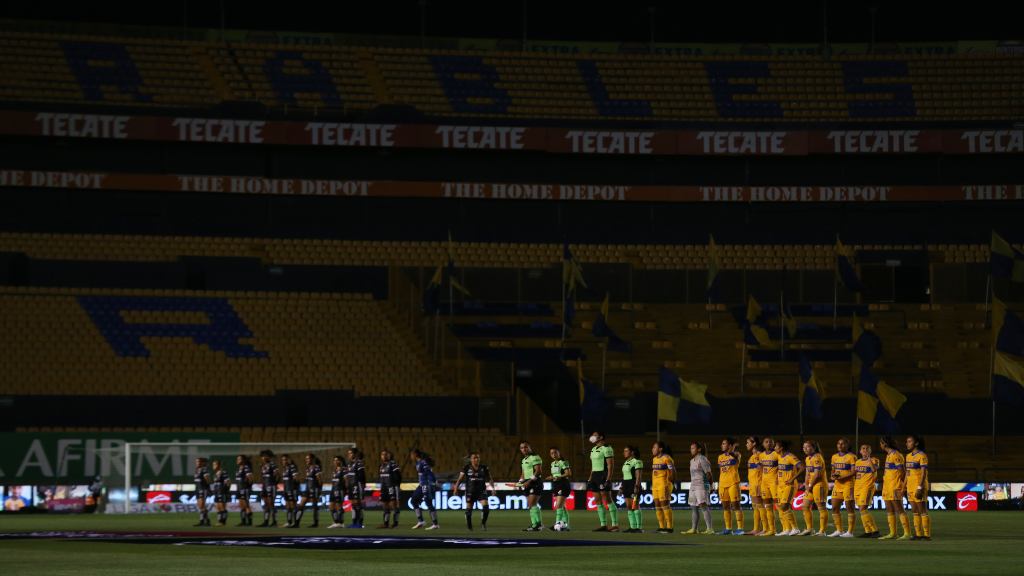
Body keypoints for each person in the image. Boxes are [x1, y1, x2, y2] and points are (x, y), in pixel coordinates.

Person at [878, 436, 911, 540]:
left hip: (895, 486)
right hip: (887, 486)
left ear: (885, 444)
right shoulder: (889, 455)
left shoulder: (896, 455)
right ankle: (893, 533)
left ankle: (907, 533)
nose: (880, 445)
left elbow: (902, 472)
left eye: (881, 443)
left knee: (899, 509)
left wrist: (902, 487)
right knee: (889, 510)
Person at [455, 451, 495, 530]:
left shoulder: (484, 467)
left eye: (478, 458)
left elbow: (490, 478)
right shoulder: (466, 467)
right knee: (469, 511)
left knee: (486, 508)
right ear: (471, 459)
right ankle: (469, 526)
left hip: (481, 491)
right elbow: (459, 479)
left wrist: (493, 488)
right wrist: (456, 488)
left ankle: (483, 524)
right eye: (474, 458)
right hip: (470, 491)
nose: (476, 459)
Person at [588, 431, 619, 532]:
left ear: (601, 437)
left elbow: (610, 465)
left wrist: (608, 478)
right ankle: (603, 525)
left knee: (608, 499)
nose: (592, 437)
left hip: (603, 475)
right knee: (597, 501)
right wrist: (590, 477)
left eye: (595, 435)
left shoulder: (607, 448)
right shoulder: (593, 449)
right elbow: (593, 465)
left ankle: (615, 525)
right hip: (595, 476)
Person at [683, 442, 715, 535]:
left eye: (693, 448)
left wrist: (711, 486)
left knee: (703, 506)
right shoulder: (691, 461)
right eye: (691, 448)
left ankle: (710, 529)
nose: (691, 450)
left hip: (701, 486)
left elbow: (709, 473)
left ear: (699, 449)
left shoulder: (702, 459)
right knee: (693, 507)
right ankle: (694, 529)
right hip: (693, 486)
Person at [828, 437, 857, 538]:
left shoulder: (852, 456)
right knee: (834, 507)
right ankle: (839, 530)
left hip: (848, 485)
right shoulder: (834, 457)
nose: (840, 445)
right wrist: (832, 476)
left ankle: (850, 532)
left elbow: (854, 472)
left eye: (842, 444)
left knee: (850, 508)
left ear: (847, 445)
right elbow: (833, 470)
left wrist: (841, 477)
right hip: (837, 485)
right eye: (838, 444)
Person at [774, 439, 804, 536]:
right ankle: (786, 529)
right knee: (780, 507)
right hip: (780, 485)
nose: (775, 448)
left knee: (784, 506)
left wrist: (792, 479)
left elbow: (802, 467)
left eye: (776, 446)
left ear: (781, 448)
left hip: (789, 485)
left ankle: (795, 528)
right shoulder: (778, 456)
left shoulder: (790, 457)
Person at [905, 435, 931, 540]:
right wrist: (903, 487)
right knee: (914, 511)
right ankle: (918, 534)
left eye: (910, 441)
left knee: (922, 510)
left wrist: (920, 487)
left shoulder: (922, 455)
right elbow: (907, 473)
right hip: (910, 486)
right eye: (907, 441)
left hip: (918, 486)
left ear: (916, 443)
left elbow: (924, 473)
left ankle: (927, 535)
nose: (907, 443)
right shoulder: (908, 456)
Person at [716, 437, 743, 535]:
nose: (722, 445)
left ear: (730, 446)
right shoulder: (720, 457)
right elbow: (722, 471)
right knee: (725, 506)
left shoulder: (736, 454)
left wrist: (732, 449)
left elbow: (735, 458)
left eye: (724, 443)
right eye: (722, 443)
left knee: (736, 505)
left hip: (733, 483)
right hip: (723, 484)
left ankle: (740, 528)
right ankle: (728, 528)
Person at [801, 440, 828, 536]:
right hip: (811, 485)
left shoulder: (817, 457)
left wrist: (809, 486)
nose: (805, 449)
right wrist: (806, 485)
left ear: (813, 448)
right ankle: (809, 529)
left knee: (821, 507)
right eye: (804, 447)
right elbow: (808, 473)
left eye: (807, 447)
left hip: (819, 485)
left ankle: (822, 531)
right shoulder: (808, 458)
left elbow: (817, 474)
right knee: (805, 506)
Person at [854, 444, 881, 538]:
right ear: (860, 451)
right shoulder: (857, 462)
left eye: (867, 449)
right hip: (858, 487)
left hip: (867, 487)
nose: (865, 450)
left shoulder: (874, 460)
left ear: (870, 451)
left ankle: (875, 530)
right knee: (861, 510)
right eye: (863, 449)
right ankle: (868, 531)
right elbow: (856, 475)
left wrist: (869, 459)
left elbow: (874, 469)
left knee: (863, 508)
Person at [517, 441, 544, 531]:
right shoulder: (524, 460)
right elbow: (523, 473)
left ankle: (538, 524)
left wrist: (529, 481)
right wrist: (520, 482)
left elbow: (538, 471)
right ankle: (535, 525)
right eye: (521, 448)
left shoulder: (535, 457)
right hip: (528, 483)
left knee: (532, 503)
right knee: (530, 505)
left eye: (525, 447)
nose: (524, 449)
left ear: (529, 447)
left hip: (535, 483)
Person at [410, 448, 440, 530]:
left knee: (429, 503)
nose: (411, 456)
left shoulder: (423, 462)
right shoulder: (418, 463)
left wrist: (433, 482)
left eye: (412, 454)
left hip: (426, 484)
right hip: (421, 485)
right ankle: (421, 521)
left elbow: (429, 472)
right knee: (414, 501)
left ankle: (435, 524)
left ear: (415, 454)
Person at [650, 440, 675, 533]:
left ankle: (669, 527)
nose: (652, 449)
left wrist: (672, 483)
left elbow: (672, 471)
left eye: (654, 447)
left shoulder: (667, 458)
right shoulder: (654, 459)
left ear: (660, 449)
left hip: (664, 484)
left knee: (665, 505)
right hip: (655, 485)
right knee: (657, 505)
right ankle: (661, 527)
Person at [293, 453, 322, 528]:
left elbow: (319, 480)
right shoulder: (308, 468)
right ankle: (296, 523)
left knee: (315, 506)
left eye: (308, 459)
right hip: (307, 489)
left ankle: (315, 523)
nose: (307, 460)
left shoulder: (316, 467)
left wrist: (319, 490)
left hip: (314, 489)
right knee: (301, 505)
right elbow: (309, 479)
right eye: (306, 459)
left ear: (312, 459)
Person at [547, 447, 573, 531]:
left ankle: (557, 523)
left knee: (558, 506)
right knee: (562, 506)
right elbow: (556, 475)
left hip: (563, 485)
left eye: (555, 452)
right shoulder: (552, 463)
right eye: (551, 453)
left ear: (559, 453)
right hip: (556, 485)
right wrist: (552, 477)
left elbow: (568, 473)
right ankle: (565, 525)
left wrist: (559, 477)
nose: (553, 455)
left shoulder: (563, 462)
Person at [620, 445, 644, 533]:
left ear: (632, 452)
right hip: (626, 485)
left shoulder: (637, 462)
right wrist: (622, 487)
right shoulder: (625, 462)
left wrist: (636, 486)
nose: (624, 452)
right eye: (624, 451)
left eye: (626, 451)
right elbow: (624, 476)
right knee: (629, 506)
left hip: (633, 485)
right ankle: (632, 527)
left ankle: (639, 528)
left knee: (635, 506)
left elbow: (638, 476)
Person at [758, 437, 779, 536]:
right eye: (766, 442)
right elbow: (761, 468)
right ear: (763, 444)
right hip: (764, 483)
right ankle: (772, 530)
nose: (769, 443)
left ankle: (787, 528)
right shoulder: (761, 455)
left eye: (771, 442)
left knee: (779, 505)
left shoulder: (776, 454)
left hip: (774, 482)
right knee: (768, 506)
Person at [377, 450, 402, 529]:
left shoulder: (393, 464)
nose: (384, 456)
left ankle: (395, 524)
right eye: (382, 454)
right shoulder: (381, 466)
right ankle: (386, 523)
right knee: (385, 506)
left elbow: (398, 477)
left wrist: (396, 486)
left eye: (385, 454)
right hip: (383, 488)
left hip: (391, 487)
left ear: (389, 456)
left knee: (393, 505)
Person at [745, 436, 764, 535]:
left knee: (760, 506)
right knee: (756, 507)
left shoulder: (757, 455)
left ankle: (765, 529)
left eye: (748, 442)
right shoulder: (752, 456)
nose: (746, 444)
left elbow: (761, 469)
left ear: (754, 443)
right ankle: (756, 529)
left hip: (757, 483)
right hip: (753, 484)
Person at [345, 448, 367, 528]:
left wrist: (363, 485)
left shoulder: (359, 463)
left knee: (358, 503)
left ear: (354, 454)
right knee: (353, 504)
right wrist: (347, 486)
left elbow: (362, 475)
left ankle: (360, 523)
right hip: (351, 486)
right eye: (348, 453)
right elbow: (348, 476)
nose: (349, 455)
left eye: (350, 453)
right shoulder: (349, 464)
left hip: (357, 485)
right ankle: (354, 522)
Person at [257, 450, 279, 527]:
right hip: (265, 486)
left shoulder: (272, 465)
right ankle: (266, 521)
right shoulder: (263, 466)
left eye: (264, 456)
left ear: (268, 457)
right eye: (262, 456)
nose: (263, 458)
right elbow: (263, 477)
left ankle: (274, 521)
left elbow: (277, 475)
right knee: (266, 504)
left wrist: (274, 484)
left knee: (271, 504)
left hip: (271, 486)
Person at [327, 455, 347, 529]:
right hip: (333, 489)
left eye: (336, 460)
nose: (334, 462)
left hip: (340, 489)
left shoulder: (344, 469)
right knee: (331, 506)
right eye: (334, 460)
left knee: (339, 506)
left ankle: (341, 523)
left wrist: (346, 490)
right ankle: (336, 521)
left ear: (340, 461)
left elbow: (346, 480)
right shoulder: (334, 470)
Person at [280, 454, 300, 527]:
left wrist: (294, 488)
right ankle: (289, 522)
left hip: (292, 489)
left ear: (288, 460)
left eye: (285, 460)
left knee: (293, 506)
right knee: (288, 506)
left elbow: (296, 478)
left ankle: (296, 523)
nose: (284, 461)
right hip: (286, 489)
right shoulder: (285, 468)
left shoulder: (292, 467)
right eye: (282, 460)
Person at [234, 455, 253, 526]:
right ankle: (243, 521)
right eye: (237, 459)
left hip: (244, 489)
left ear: (243, 460)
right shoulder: (238, 468)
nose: (237, 460)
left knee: (246, 505)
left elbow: (250, 478)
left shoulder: (246, 468)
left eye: (239, 459)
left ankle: (249, 521)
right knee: (241, 505)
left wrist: (247, 486)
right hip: (239, 489)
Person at [193, 457, 211, 527]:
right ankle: (203, 521)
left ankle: (205, 521)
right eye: (196, 462)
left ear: (203, 463)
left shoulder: (204, 470)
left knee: (201, 505)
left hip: (203, 489)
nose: (197, 463)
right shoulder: (197, 470)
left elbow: (208, 480)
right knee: (200, 506)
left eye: (198, 462)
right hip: (198, 489)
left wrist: (208, 488)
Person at [211, 459, 230, 526]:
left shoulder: (223, 472)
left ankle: (223, 521)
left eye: (214, 464)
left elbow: (228, 482)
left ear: (218, 465)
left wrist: (226, 490)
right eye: (213, 464)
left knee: (222, 507)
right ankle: (219, 521)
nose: (213, 466)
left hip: (222, 492)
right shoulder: (215, 474)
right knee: (218, 507)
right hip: (216, 492)